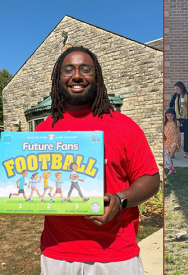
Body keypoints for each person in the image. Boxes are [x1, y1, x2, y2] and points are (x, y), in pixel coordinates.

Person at [35, 46, 160, 274]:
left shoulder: (124, 126)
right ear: (58, 77)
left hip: (115, 255)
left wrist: (120, 200)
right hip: (58, 253)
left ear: (97, 76)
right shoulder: (44, 131)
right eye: (68, 69)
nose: (76, 76)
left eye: (85, 69)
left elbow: (151, 178)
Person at [170, 81, 188, 159]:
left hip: (186, 119)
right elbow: (170, 105)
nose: (177, 91)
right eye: (176, 89)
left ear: (182, 88)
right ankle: (173, 152)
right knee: (174, 136)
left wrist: (187, 105)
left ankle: (186, 153)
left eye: (178, 89)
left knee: (186, 136)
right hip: (177, 119)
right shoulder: (175, 96)